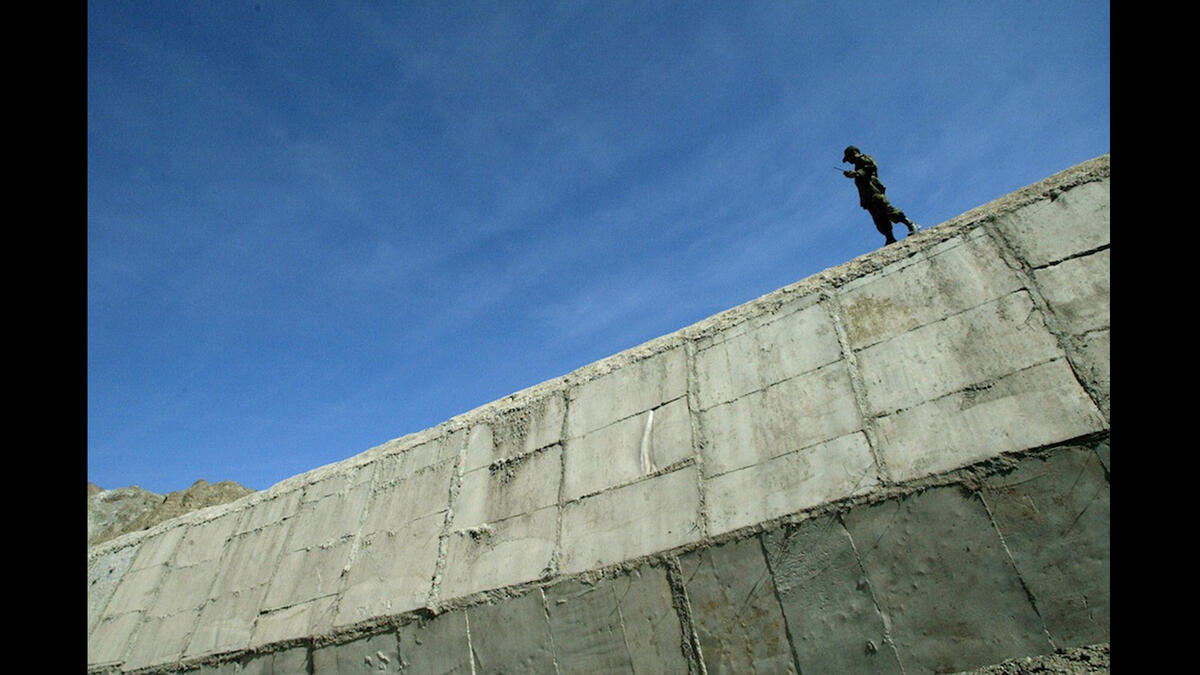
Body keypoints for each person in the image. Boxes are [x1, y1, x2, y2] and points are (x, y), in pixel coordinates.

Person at [841, 146, 920, 245]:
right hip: (867, 198)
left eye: (849, 158)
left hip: (874, 192)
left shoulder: (864, 158)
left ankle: (911, 225)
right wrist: (853, 174)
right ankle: (890, 238)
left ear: (854, 152)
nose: (849, 161)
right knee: (879, 219)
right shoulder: (857, 165)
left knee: (889, 210)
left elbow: (871, 167)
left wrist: (857, 173)